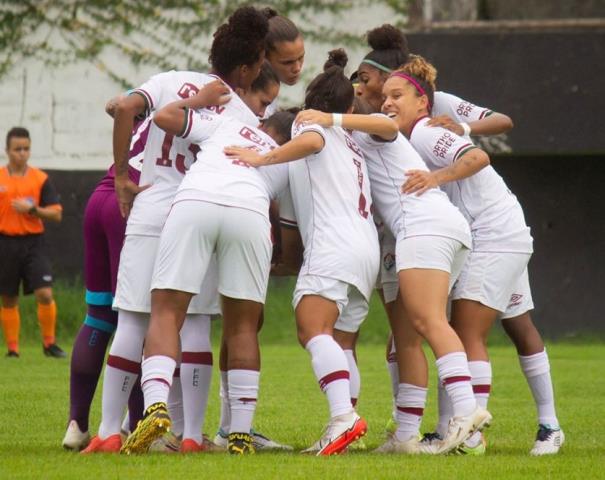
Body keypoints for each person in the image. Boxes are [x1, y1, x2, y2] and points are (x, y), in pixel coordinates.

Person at [82, 6, 270, 455]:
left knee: (132, 318)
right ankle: (188, 436)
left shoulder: (168, 79)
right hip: (198, 209)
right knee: (197, 325)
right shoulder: (238, 105)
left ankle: (110, 430)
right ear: (245, 68)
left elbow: (126, 107)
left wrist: (124, 178)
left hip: (153, 206)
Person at [386, 54, 563, 456]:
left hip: (492, 234)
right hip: (500, 228)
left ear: (420, 99)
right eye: (383, 96)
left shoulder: (427, 130)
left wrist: (436, 176)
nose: (384, 101)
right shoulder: (410, 130)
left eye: (393, 93)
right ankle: (548, 425)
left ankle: (470, 435)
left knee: (465, 330)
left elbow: (478, 156)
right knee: (518, 326)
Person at [225, 49, 381, 456]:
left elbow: (310, 140)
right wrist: (282, 264)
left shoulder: (311, 127)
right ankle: (342, 427)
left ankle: (343, 418)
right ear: (349, 105)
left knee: (312, 328)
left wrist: (262, 157)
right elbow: (292, 228)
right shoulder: (351, 141)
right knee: (342, 342)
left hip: (334, 247)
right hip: (365, 252)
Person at [122, 78, 290, 455]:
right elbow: (284, 217)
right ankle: (241, 434)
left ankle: (156, 406)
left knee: (166, 312)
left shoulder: (229, 124)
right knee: (242, 325)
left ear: (264, 127)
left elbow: (166, 116)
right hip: (250, 211)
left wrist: (196, 100)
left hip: (195, 201)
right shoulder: (290, 157)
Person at [62, 119, 147, 451]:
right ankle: (138, 424)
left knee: (97, 317)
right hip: (129, 205)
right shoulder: (204, 112)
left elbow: (116, 106)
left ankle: (76, 423)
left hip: (101, 196)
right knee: (136, 320)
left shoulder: (155, 97)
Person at [0, 127, 65, 358]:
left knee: (45, 293)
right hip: (5, 242)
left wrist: (33, 209)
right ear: (7, 150)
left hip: (34, 243)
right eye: (17, 149)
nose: (22, 153)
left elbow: (56, 214)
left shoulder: (40, 179)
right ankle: (13, 349)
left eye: (26, 149)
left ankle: (49, 344)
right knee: (8, 297)